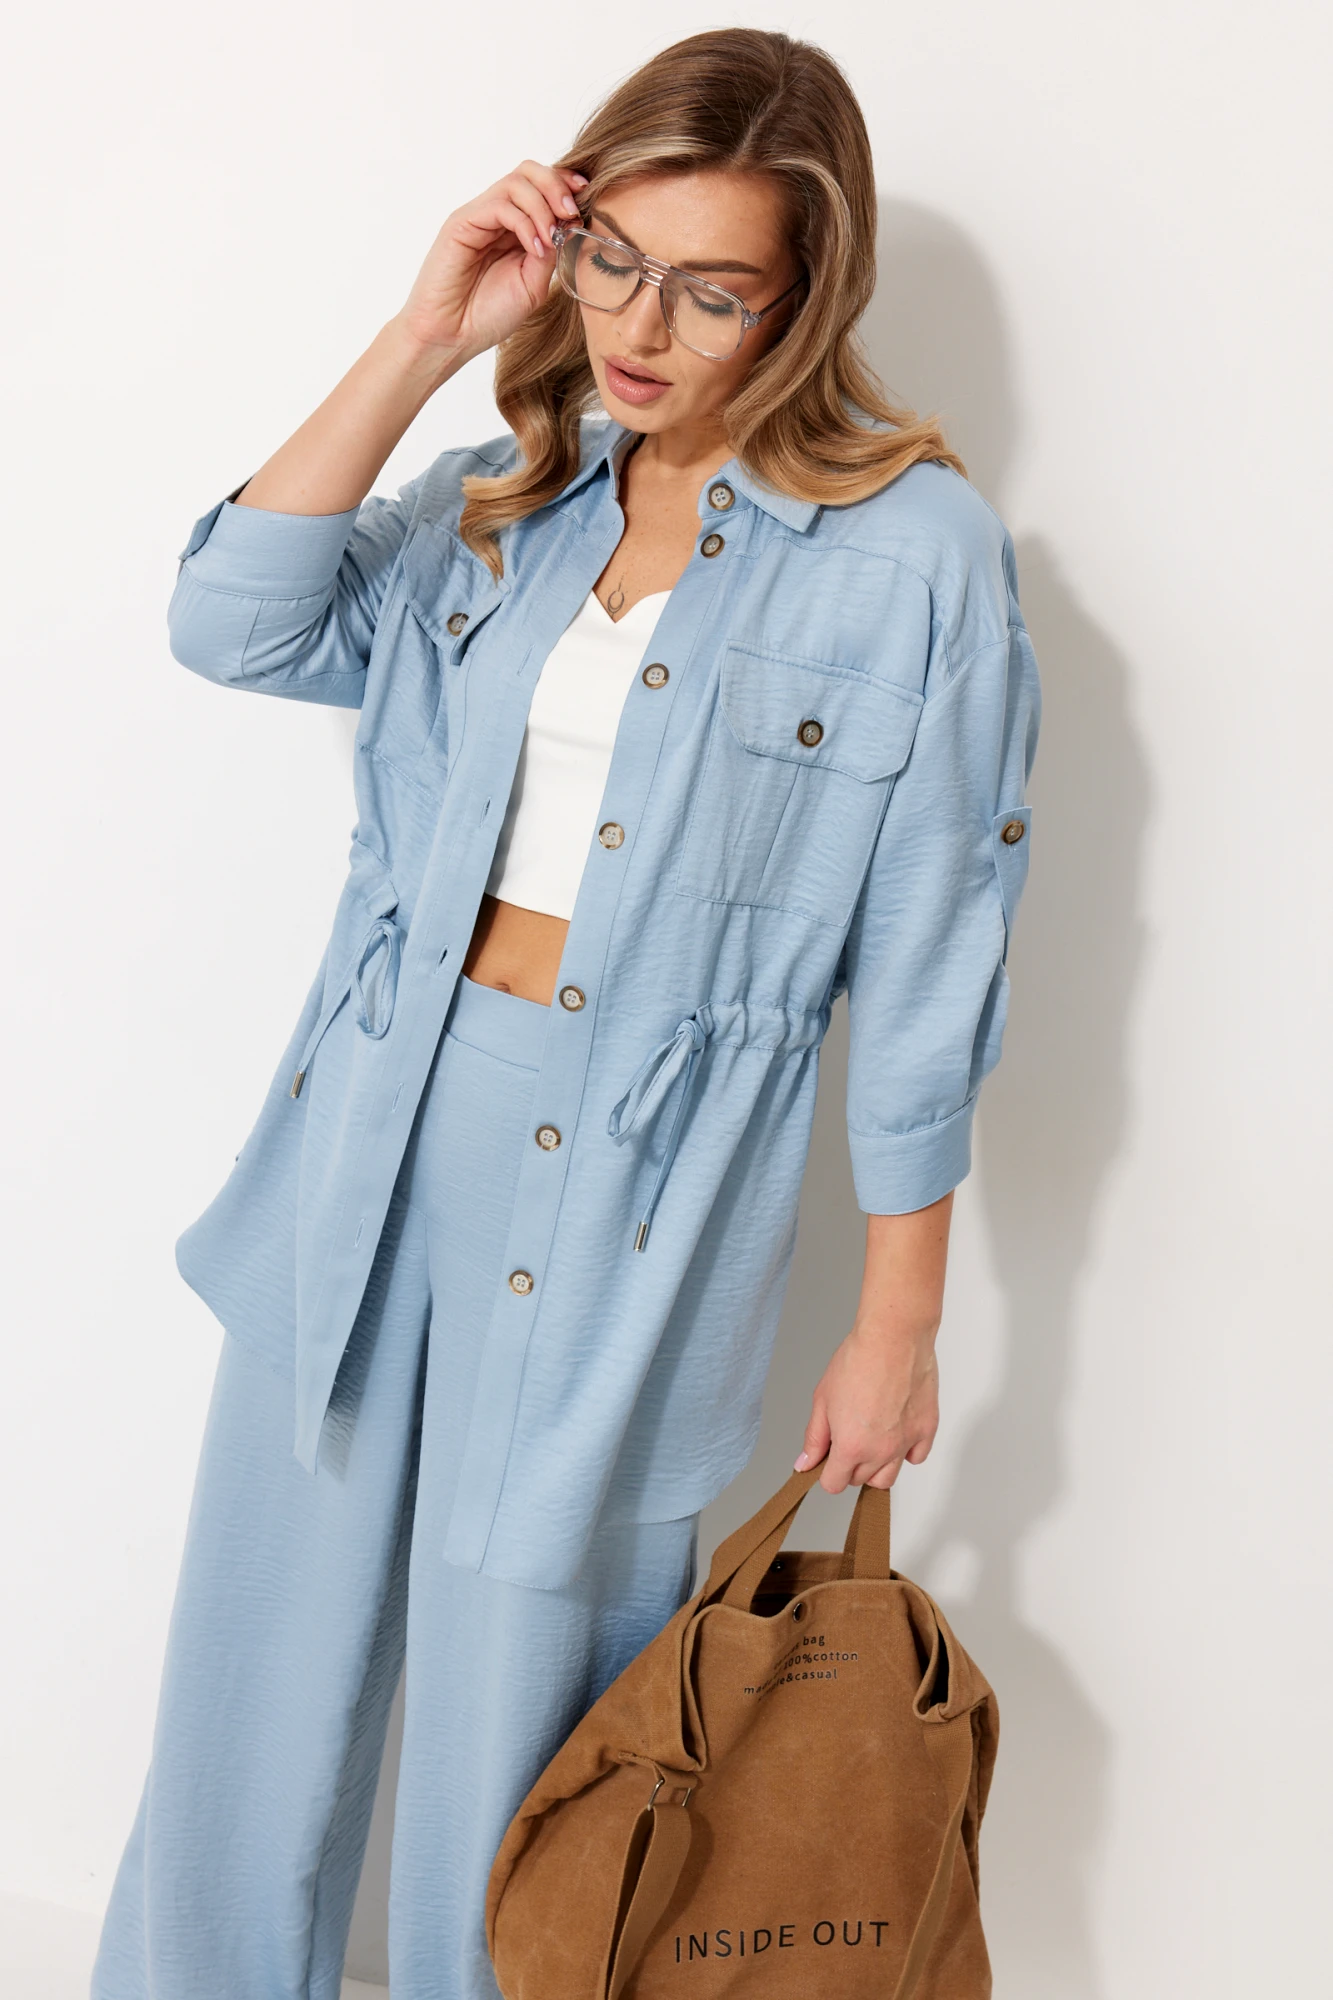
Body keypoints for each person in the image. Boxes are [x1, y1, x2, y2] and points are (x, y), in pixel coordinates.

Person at [92, 26, 1039, 2000]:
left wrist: (900, 1319)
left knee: (527, 1768)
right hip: (366, 1141)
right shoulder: (502, 497)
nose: (642, 328)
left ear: (808, 296)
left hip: (633, 1209)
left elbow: (933, 962)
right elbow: (230, 622)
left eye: (714, 290)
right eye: (615, 261)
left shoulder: (917, 560)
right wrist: (427, 331)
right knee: (249, 1722)